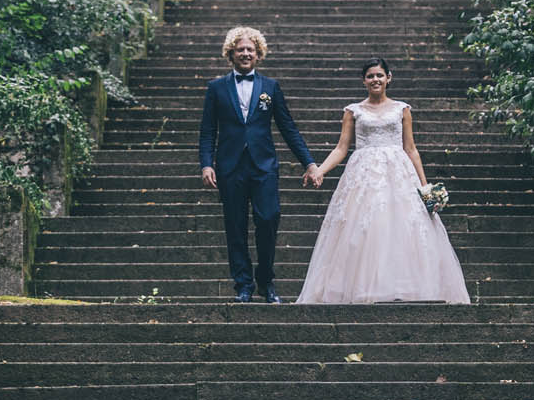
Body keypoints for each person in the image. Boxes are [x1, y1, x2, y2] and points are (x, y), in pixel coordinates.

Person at [296, 58, 470, 304]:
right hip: (363, 174)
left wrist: (425, 186)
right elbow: (341, 148)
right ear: (363, 80)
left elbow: (411, 149)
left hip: (398, 172)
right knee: (366, 227)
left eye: (379, 75)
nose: (375, 80)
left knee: (403, 227)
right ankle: (365, 288)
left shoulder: (402, 109)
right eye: (370, 76)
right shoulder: (353, 111)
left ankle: (404, 286)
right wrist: (320, 170)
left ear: (389, 77)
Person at [198, 26, 322, 303]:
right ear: (231, 53)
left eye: (250, 50)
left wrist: (309, 163)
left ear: (258, 54)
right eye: (240, 49)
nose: (245, 53)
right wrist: (207, 164)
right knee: (235, 226)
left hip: (263, 167)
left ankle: (266, 281)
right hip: (230, 168)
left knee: (268, 220)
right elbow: (208, 130)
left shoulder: (270, 88)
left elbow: (288, 128)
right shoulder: (216, 88)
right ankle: (243, 285)